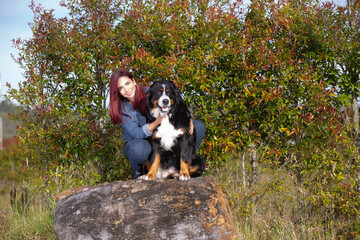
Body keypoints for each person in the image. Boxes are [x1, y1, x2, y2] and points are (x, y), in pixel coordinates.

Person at [109, 69, 205, 179]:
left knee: (198, 126)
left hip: (166, 137)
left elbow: (178, 102)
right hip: (142, 141)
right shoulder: (120, 109)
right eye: (121, 88)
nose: (126, 89)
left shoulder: (151, 91)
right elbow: (136, 133)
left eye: (127, 83)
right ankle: (139, 170)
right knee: (139, 148)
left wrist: (188, 118)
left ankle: (186, 164)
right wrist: (157, 122)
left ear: (133, 81)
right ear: (118, 91)